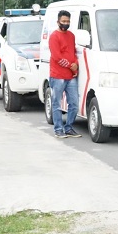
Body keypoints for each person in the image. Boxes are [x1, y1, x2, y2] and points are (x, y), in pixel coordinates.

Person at [49, 10, 81, 138]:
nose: (66, 23)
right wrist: (70, 65)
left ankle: (69, 127)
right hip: (57, 76)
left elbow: (73, 53)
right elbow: (57, 56)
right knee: (56, 104)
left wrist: (75, 66)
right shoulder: (54, 37)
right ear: (58, 22)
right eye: (63, 21)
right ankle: (58, 129)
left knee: (74, 104)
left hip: (70, 76)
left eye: (68, 21)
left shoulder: (71, 36)